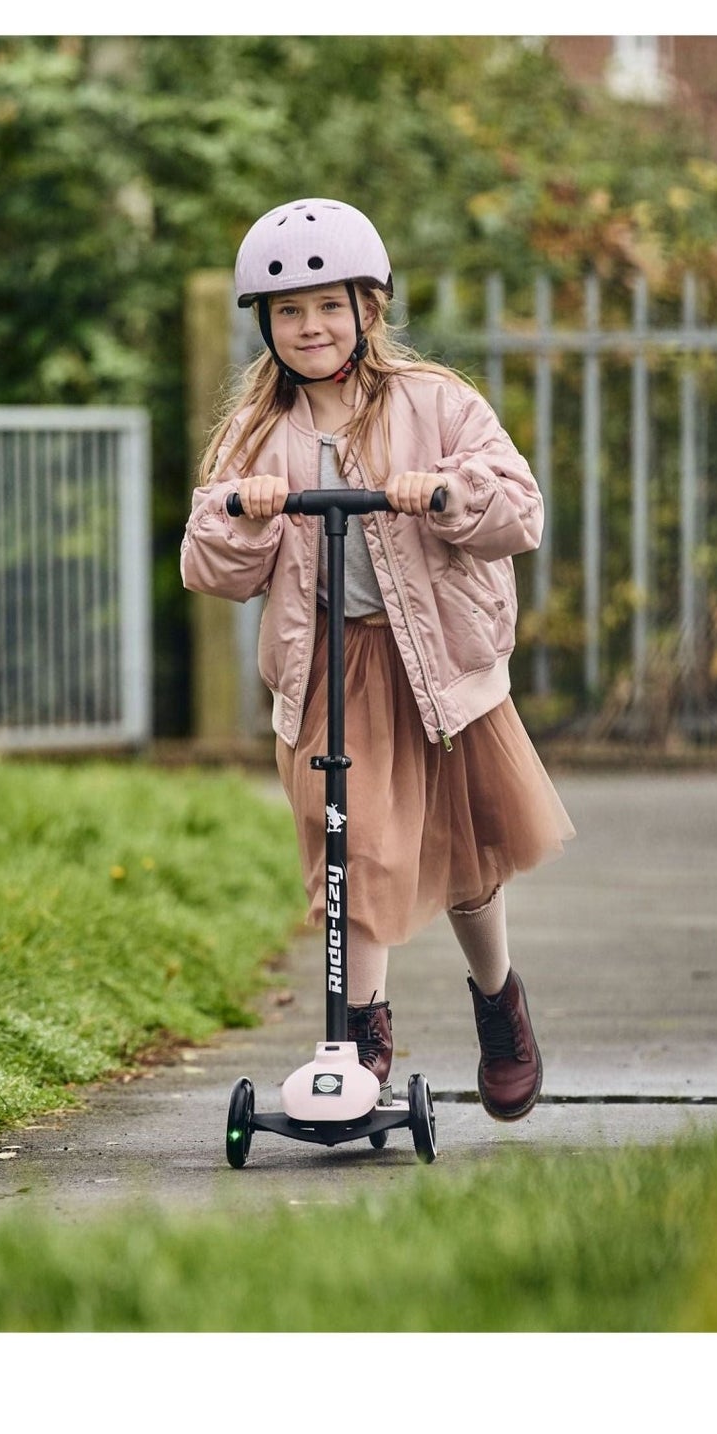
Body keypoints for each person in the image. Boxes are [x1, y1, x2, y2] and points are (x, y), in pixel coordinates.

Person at [180, 197, 573, 1120]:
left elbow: (521, 510)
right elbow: (209, 563)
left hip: (437, 664)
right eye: (288, 312)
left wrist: (443, 493)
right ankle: (357, 1037)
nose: (309, 327)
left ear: (368, 309)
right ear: (266, 326)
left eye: (328, 305)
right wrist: (245, 513)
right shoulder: (255, 432)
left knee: (471, 860)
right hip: (329, 671)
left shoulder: (435, 403)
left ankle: (499, 1002)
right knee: (352, 857)